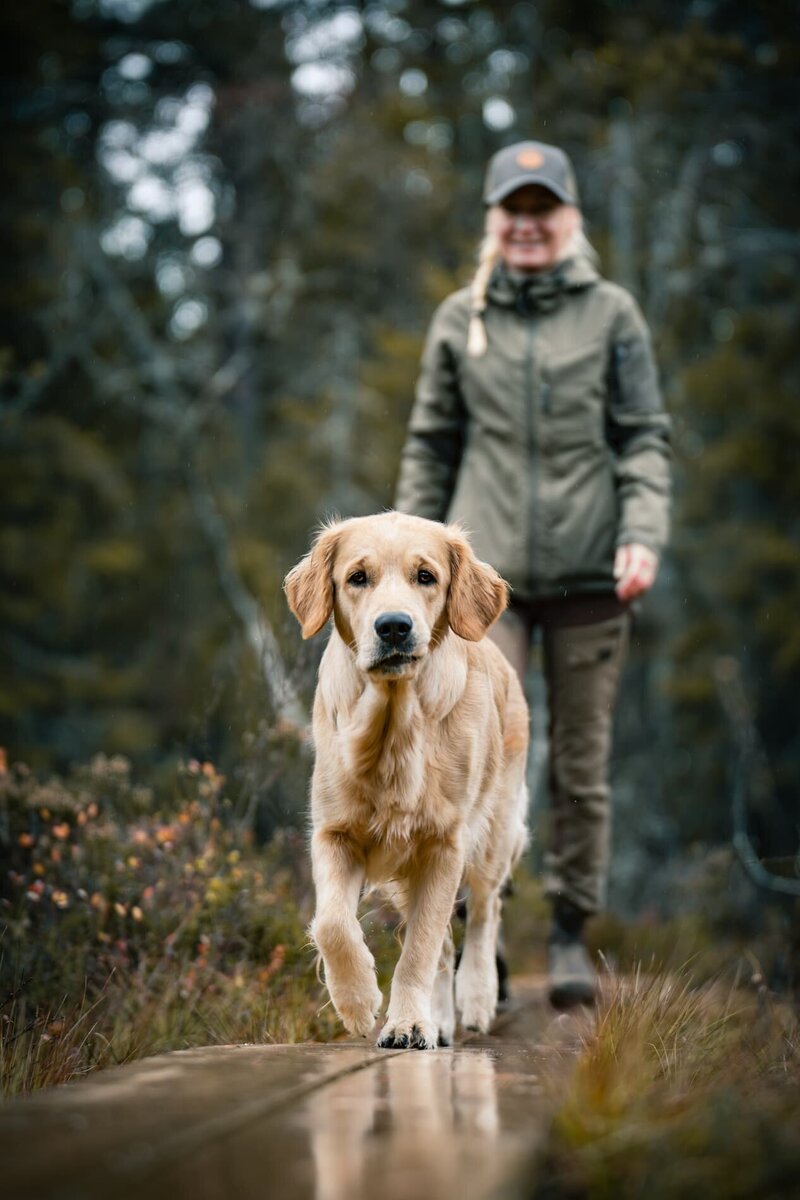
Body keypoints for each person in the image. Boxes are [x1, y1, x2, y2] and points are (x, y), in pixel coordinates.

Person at [394, 140, 671, 1008]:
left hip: (596, 577)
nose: (526, 224)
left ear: (569, 218)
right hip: (487, 584)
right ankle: (485, 932)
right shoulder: (458, 318)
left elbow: (644, 437)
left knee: (579, 767)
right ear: (493, 221)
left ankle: (571, 935)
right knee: (471, 754)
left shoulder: (613, 314)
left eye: (541, 208)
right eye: (511, 209)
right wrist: (412, 562)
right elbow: (431, 444)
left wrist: (643, 531)